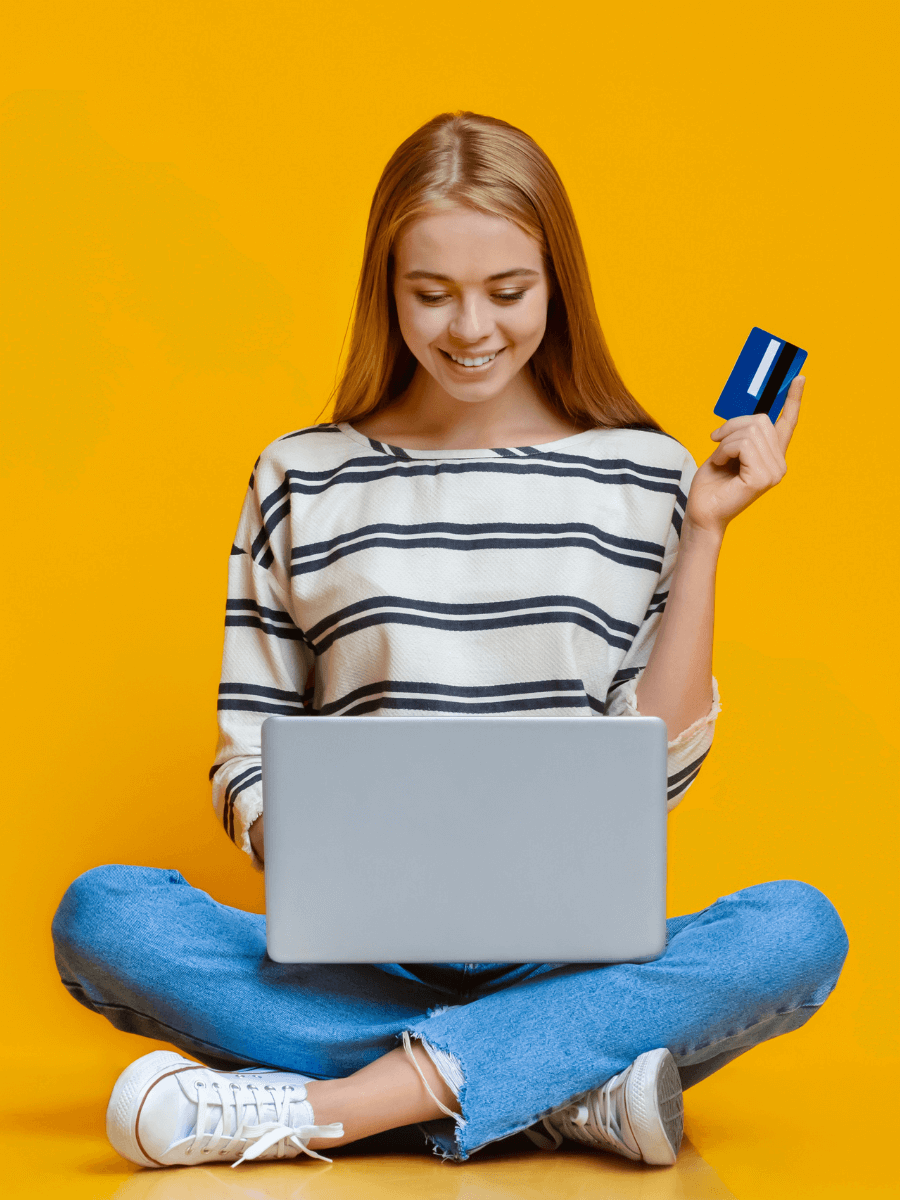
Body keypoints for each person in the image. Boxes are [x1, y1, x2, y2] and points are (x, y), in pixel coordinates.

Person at [52, 110, 848, 1172]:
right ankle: (559, 1089)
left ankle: (335, 1108)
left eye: (508, 292)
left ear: (556, 283)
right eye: (431, 294)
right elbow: (246, 747)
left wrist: (704, 531)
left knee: (795, 933)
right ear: (387, 289)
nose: (471, 328)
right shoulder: (302, 474)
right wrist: (308, 843)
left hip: (564, 964)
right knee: (106, 916)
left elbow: (654, 764)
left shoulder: (646, 475)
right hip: (360, 959)